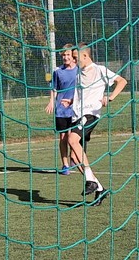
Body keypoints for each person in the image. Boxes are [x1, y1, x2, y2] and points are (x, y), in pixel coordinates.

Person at [67, 45, 127, 205]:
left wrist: (110, 97)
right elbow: (83, 94)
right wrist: (71, 101)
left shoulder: (100, 70)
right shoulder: (79, 73)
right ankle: (99, 188)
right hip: (77, 115)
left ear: (85, 56)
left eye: (75, 57)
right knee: (74, 157)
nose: (73, 60)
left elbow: (122, 81)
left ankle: (90, 180)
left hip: (90, 114)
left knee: (72, 140)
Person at [45, 45, 79, 174]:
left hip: (76, 109)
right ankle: (65, 165)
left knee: (74, 136)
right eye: (64, 55)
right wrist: (51, 102)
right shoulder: (58, 71)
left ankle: (73, 157)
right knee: (63, 137)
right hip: (61, 110)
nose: (65, 57)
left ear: (73, 56)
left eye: (68, 55)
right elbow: (54, 88)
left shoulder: (79, 71)